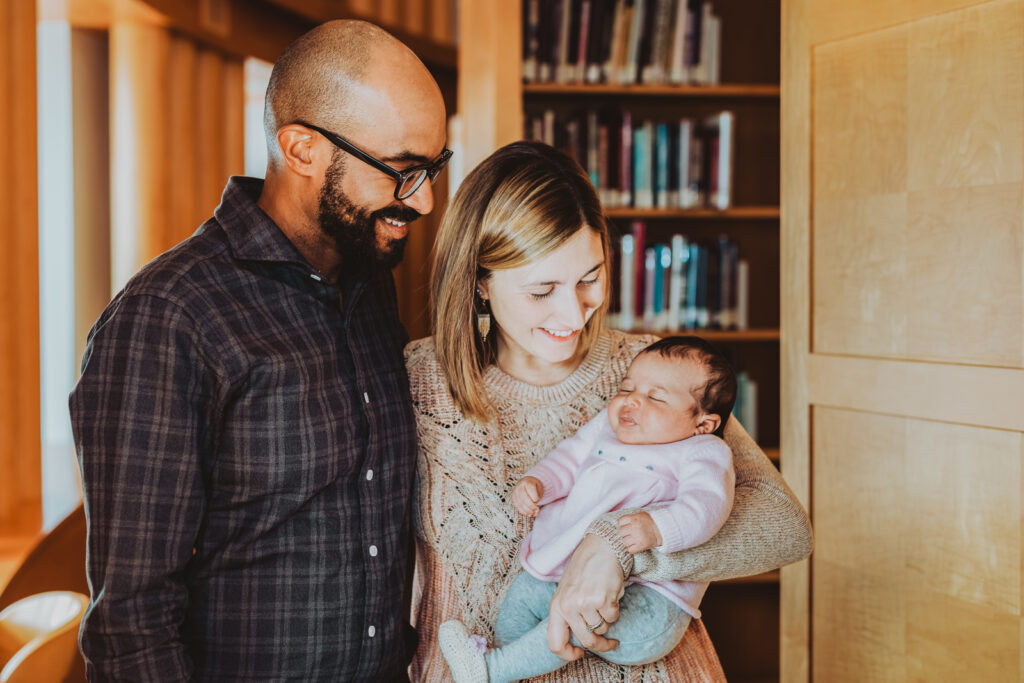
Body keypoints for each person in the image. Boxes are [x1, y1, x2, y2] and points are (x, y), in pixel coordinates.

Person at [69, 20, 449, 681]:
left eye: (434, 168)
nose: (425, 200)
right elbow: (131, 623)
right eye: (404, 170)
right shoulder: (169, 317)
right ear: (301, 148)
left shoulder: (371, 286)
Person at [404, 140, 813, 681]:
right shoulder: (418, 379)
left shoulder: (652, 373)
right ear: (480, 282)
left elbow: (787, 528)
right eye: (542, 289)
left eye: (590, 278)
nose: (572, 312)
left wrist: (617, 548)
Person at [438, 336, 739, 682]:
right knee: (523, 592)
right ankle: (506, 661)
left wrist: (658, 527)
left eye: (655, 397)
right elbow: (570, 457)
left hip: (650, 601)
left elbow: (707, 506)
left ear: (703, 424)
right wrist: (540, 482)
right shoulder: (608, 428)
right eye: (627, 389)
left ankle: (491, 671)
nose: (633, 401)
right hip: (573, 577)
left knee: (576, 617)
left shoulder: (702, 451)